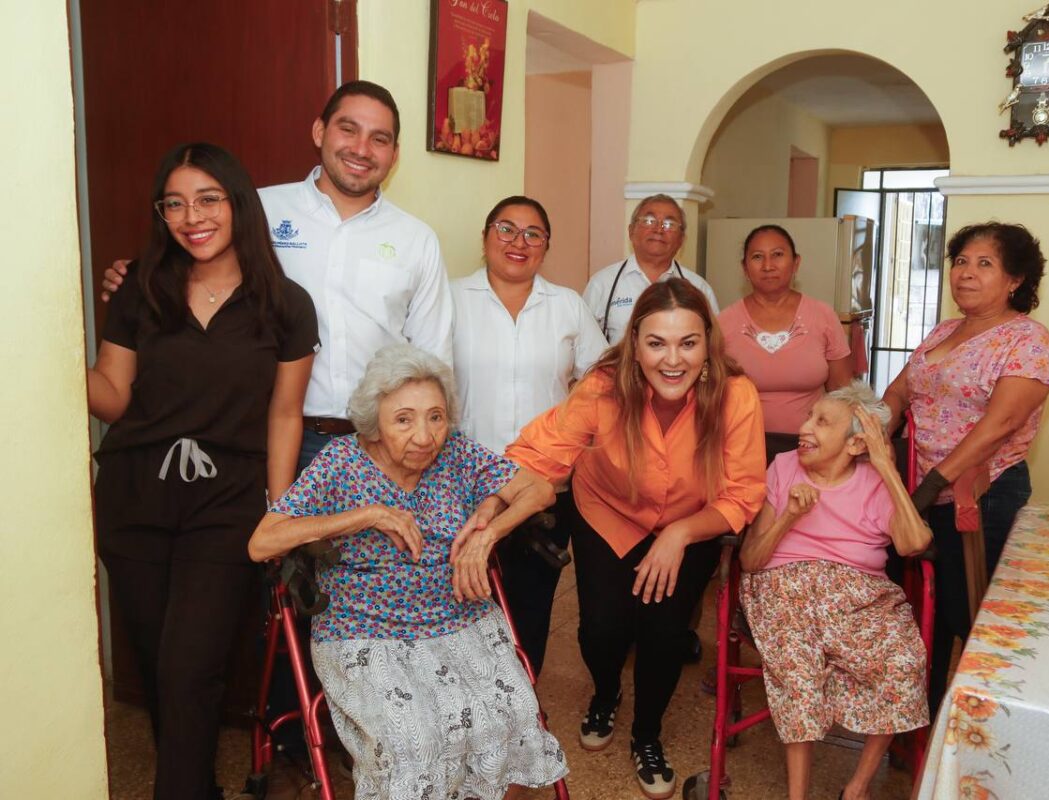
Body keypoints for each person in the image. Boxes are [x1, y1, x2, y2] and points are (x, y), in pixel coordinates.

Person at [87, 142, 318, 800]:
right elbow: (114, 395)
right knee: (164, 669)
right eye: (175, 203)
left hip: (228, 500)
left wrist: (278, 512)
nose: (192, 215)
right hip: (134, 495)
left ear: (238, 204)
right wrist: (48, 352)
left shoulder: (285, 305)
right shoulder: (139, 289)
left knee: (191, 666)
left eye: (208, 198)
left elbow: (284, 415)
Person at [247, 343, 566, 800]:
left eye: (435, 417)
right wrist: (365, 515)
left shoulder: (457, 454)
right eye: (404, 419)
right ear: (375, 424)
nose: (424, 436)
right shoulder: (342, 461)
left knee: (513, 716)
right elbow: (262, 542)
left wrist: (487, 532)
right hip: (364, 631)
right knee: (415, 740)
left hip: (459, 618)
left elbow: (538, 490)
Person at [102, 80, 454, 467]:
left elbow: (433, 359)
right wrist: (130, 278)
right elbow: (186, 264)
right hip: (270, 438)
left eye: (379, 139)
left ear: (395, 154)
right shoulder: (259, 211)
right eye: (348, 129)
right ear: (320, 131)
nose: (361, 149)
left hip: (380, 443)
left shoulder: (416, 239)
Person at [507, 278, 766, 800]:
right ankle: (605, 694)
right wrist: (483, 503)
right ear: (635, 344)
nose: (673, 360)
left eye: (688, 343)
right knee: (601, 628)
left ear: (707, 344)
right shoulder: (604, 386)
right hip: (608, 511)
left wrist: (681, 533)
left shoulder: (736, 394)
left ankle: (646, 734)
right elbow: (540, 450)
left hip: (692, 522)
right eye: (657, 343)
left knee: (665, 634)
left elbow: (743, 493)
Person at [882, 221, 1049, 713]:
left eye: (985, 263)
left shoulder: (1027, 340)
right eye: (961, 261)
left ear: (1015, 280)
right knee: (924, 612)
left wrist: (930, 490)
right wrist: (878, 423)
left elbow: (1000, 423)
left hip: (979, 497)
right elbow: (901, 389)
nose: (966, 272)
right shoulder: (944, 330)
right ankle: (920, 716)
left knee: (969, 614)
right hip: (919, 494)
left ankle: (979, 725)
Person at [738, 383, 931, 800]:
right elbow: (750, 560)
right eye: (809, 416)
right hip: (783, 587)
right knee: (799, 669)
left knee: (903, 659)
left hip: (859, 595)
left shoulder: (876, 482)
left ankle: (857, 787)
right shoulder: (784, 467)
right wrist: (788, 517)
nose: (804, 428)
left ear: (857, 443)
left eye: (822, 421)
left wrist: (886, 467)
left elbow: (914, 544)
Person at [451, 195, 607, 675]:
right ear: (485, 237)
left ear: (545, 246)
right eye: (506, 229)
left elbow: (600, 381)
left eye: (532, 233)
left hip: (544, 485)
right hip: (463, 480)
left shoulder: (566, 305)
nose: (518, 242)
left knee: (530, 603)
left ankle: (520, 705)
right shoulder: (450, 298)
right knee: (462, 601)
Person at [718, 224, 853, 467]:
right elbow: (713, 393)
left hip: (812, 448)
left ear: (796, 263)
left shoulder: (823, 316)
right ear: (744, 268)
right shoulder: (724, 322)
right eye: (757, 257)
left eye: (778, 255)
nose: (768, 265)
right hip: (741, 450)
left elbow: (843, 394)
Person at [583, 193, 719, 344]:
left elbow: (713, 346)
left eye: (669, 224)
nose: (658, 230)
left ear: (681, 239)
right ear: (631, 231)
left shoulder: (699, 288)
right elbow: (585, 349)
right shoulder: (602, 284)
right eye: (649, 221)